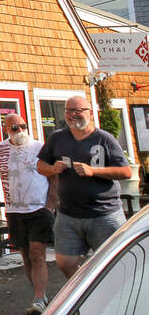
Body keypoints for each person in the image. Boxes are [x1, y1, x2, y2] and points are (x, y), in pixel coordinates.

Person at [35, 95, 133, 279]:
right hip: (68, 214)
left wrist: (94, 171)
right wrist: (52, 168)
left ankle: (111, 299)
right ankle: (88, 294)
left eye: (78, 110)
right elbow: (40, 166)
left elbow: (126, 172)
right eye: (69, 111)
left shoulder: (104, 139)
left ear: (89, 112)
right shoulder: (57, 138)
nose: (73, 115)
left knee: (114, 263)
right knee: (65, 262)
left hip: (104, 213)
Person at [0, 113, 56, 315]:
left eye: (23, 126)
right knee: (27, 257)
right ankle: (41, 295)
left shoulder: (40, 147)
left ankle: (38, 299)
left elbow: (54, 177)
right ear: (6, 130)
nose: (20, 130)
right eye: (15, 128)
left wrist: (50, 205)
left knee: (37, 254)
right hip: (14, 210)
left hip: (39, 209)